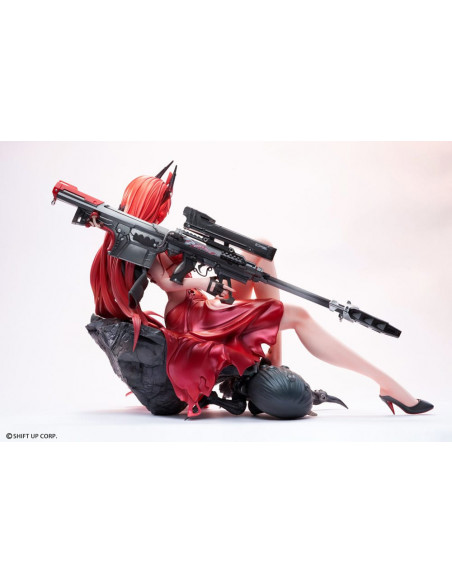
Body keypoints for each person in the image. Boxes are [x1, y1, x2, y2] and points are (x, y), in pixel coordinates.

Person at [90, 167, 434, 417]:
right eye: (162, 200)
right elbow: (168, 283)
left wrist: (217, 265)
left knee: (261, 251)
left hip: (204, 304)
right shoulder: (145, 240)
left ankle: (273, 361)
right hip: (190, 317)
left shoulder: (161, 234)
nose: (166, 206)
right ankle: (385, 383)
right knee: (299, 316)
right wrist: (210, 284)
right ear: (147, 202)